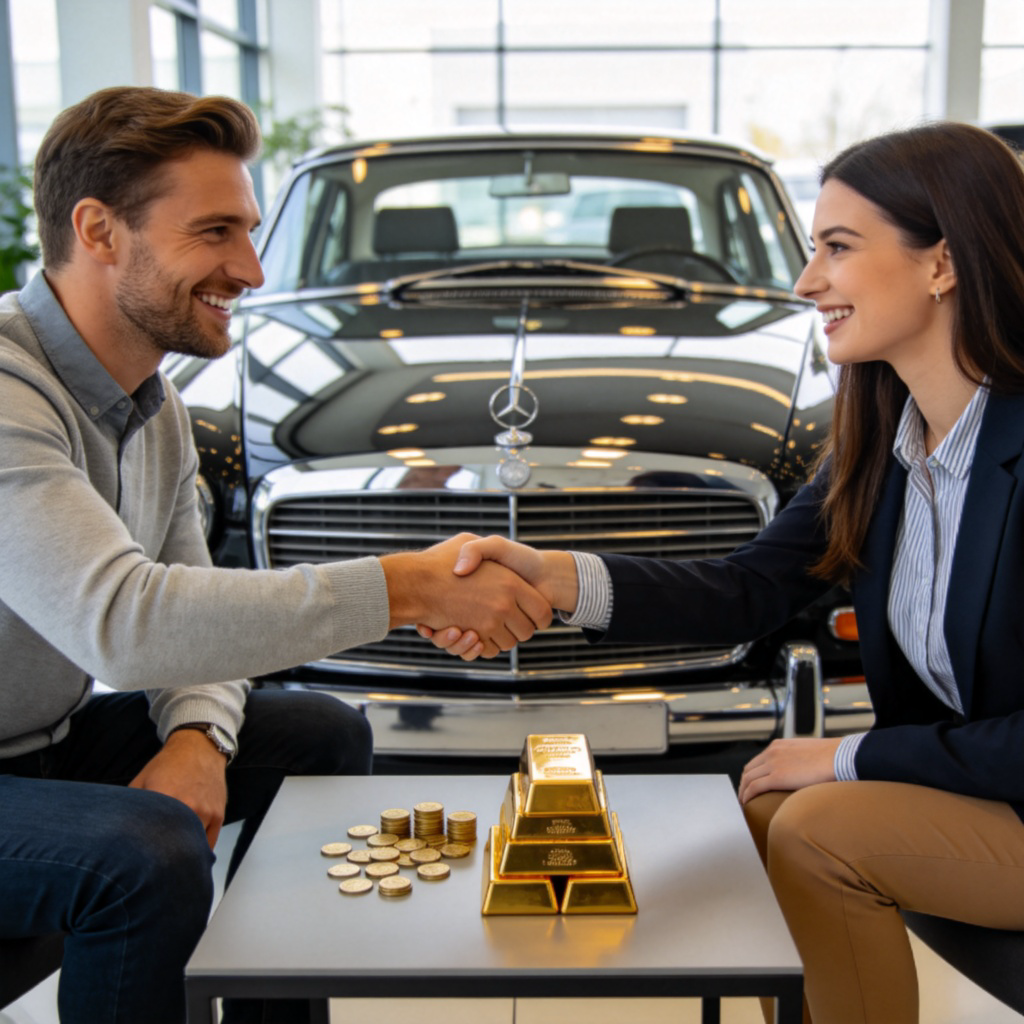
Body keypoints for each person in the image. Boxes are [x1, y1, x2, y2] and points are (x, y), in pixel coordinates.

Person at [423, 121, 1024, 1023]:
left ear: (942, 264)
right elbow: (745, 590)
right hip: (982, 794)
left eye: (837, 248)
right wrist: (551, 577)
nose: (806, 281)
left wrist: (848, 754)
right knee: (769, 810)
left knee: (819, 823)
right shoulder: (881, 448)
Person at [0, 86, 550, 1024]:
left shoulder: (155, 405)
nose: (251, 270)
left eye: (250, 232)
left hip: (38, 747)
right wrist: (407, 586)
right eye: (216, 233)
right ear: (98, 231)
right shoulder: (10, 394)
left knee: (319, 732)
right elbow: (126, 625)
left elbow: (196, 600)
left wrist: (197, 737)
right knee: (149, 853)